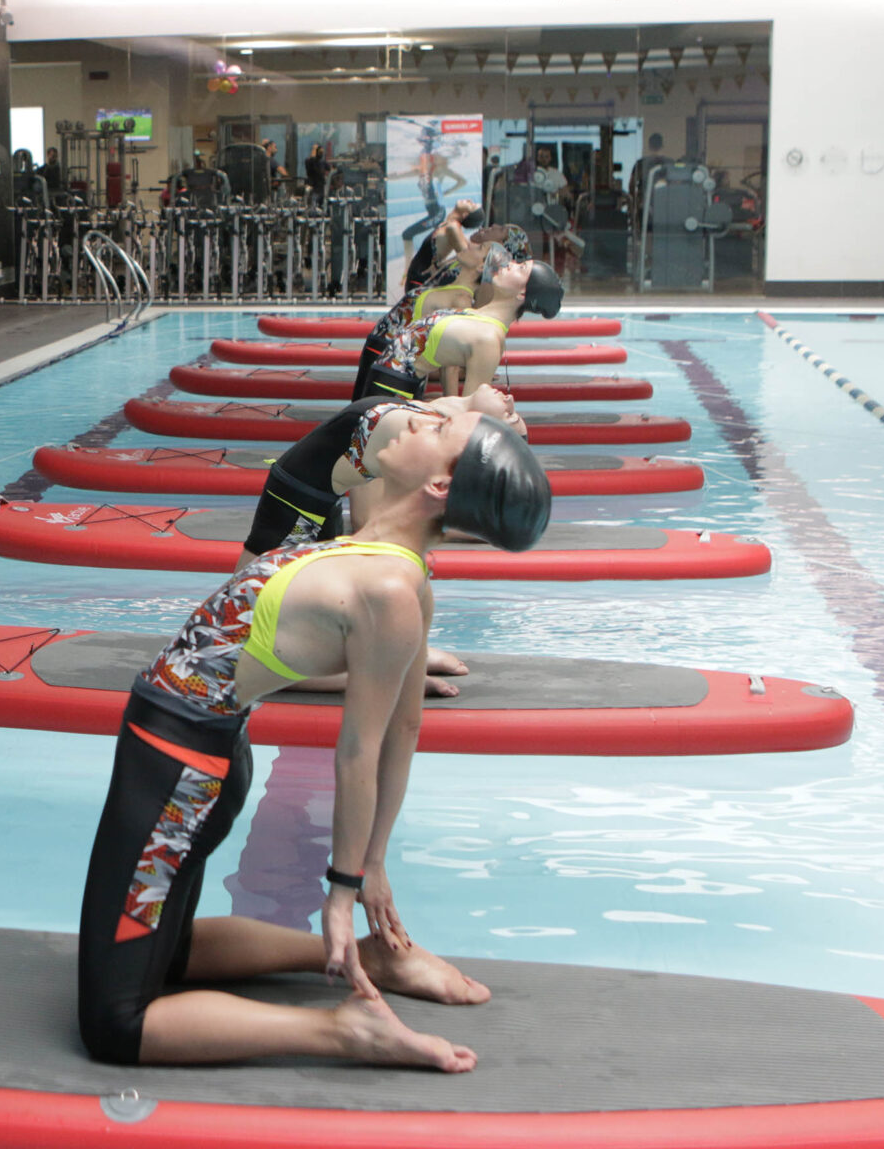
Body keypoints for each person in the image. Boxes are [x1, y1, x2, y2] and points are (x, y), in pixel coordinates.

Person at [77, 412, 550, 1069]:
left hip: (176, 775)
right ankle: (376, 959)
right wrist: (372, 865)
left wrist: (347, 884)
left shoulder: (392, 588)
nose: (416, 421)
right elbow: (405, 728)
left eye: (438, 428)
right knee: (167, 949)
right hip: (185, 761)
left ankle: (344, 1031)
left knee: (115, 1023)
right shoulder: (379, 552)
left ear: (441, 485)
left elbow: (371, 744)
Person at [238, 388, 528, 698]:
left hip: (299, 506)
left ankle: (373, 672)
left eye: (509, 415)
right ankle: (395, 659)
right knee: (281, 622)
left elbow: (395, 516)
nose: (509, 398)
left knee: (244, 641)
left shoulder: (420, 438)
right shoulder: (435, 416)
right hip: (314, 499)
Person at [364, 259, 566, 400]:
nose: (510, 263)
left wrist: (430, 407)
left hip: (390, 392)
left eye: (520, 268)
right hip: (386, 387)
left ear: (522, 293)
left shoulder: (489, 339)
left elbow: (471, 412)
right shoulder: (477, 315)